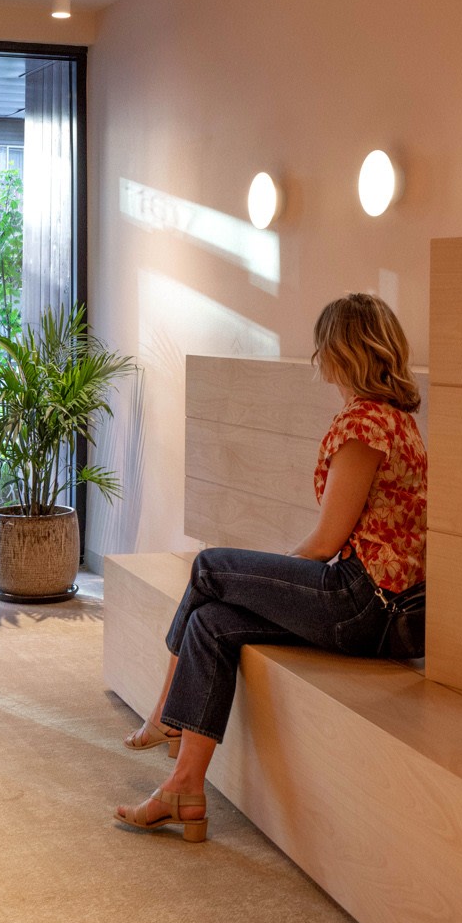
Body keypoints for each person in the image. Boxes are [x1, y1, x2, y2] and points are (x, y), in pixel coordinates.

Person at [115, 291, 428, 843]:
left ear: (340, 353)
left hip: (363, 602)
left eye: (322, 347)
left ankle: (165, 713)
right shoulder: (397, 421)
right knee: (211, 624)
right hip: (377, 606)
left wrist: (265, 579)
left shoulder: (366, 426)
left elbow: (326, 543)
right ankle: (184, 788)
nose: (317, 358)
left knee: (209, 568)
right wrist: (268, 584)